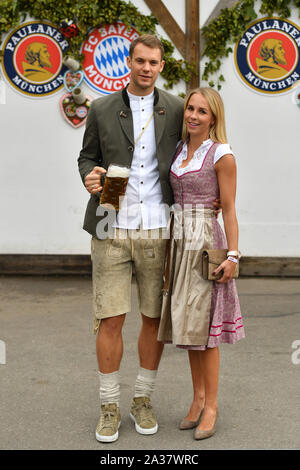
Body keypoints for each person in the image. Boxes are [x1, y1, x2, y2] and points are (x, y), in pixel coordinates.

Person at [78, 34, 186, 443]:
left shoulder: (176, 107)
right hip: (109, 221)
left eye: (153, 63)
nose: (146, 68)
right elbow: (87, 156)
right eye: (139, 60)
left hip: (159, 225)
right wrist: (88, 176)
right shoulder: (102, 107)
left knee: (153, 319)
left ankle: (142, 398)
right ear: (129, 61)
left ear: (161, 66)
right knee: (110, 316)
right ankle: (109, 405)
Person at [157, 87, 245, 440]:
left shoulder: (222, 154)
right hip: (180, 241)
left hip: (207, 243)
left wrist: (234, 255)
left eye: (202, 111)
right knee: (190, 328)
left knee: (206, 333)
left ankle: (212, 405)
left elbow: (229, 209)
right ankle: (197, 400)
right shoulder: (179, 150)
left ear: (214, 118)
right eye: (190, 109)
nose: (193, 115)